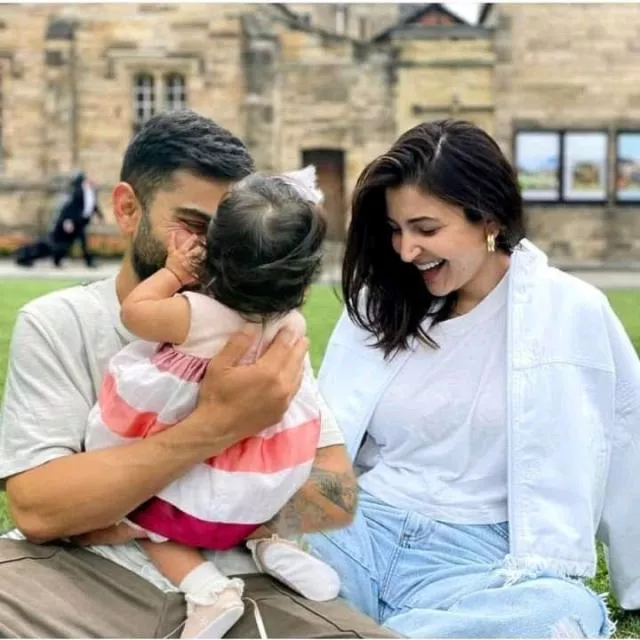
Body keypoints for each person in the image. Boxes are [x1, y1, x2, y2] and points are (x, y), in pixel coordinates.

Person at [0, 110, 395, 639]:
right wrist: (218, 426)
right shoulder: (63, 322)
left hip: (243, 585)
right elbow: (39, 509)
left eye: (230, 233)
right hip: (76, 580)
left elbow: (335, 497)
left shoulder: (263, 328)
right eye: (194, 226)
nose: (220, 255)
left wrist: (215, 520)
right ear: (127, 208)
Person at [307, 119, 640, 638]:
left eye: (426, 229)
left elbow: (626, 441)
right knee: (256, 552)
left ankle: (358, 629)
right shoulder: (379, 303)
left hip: (478, 564)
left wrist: (635, 579)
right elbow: (327, 435)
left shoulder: (572, 310)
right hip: (359, 531)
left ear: (487, 218)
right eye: (396, 229)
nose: (405, 250)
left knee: (565, 613)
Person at [84, 171, 341, 638]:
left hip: (197, 483)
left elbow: (134, 312)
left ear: (214, 253)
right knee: (242, 507)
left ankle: (207, 590)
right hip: (260, 483)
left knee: (144, 514)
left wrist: (174, 273)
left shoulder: (196, 316)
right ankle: (270, 542)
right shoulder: (290, 325)